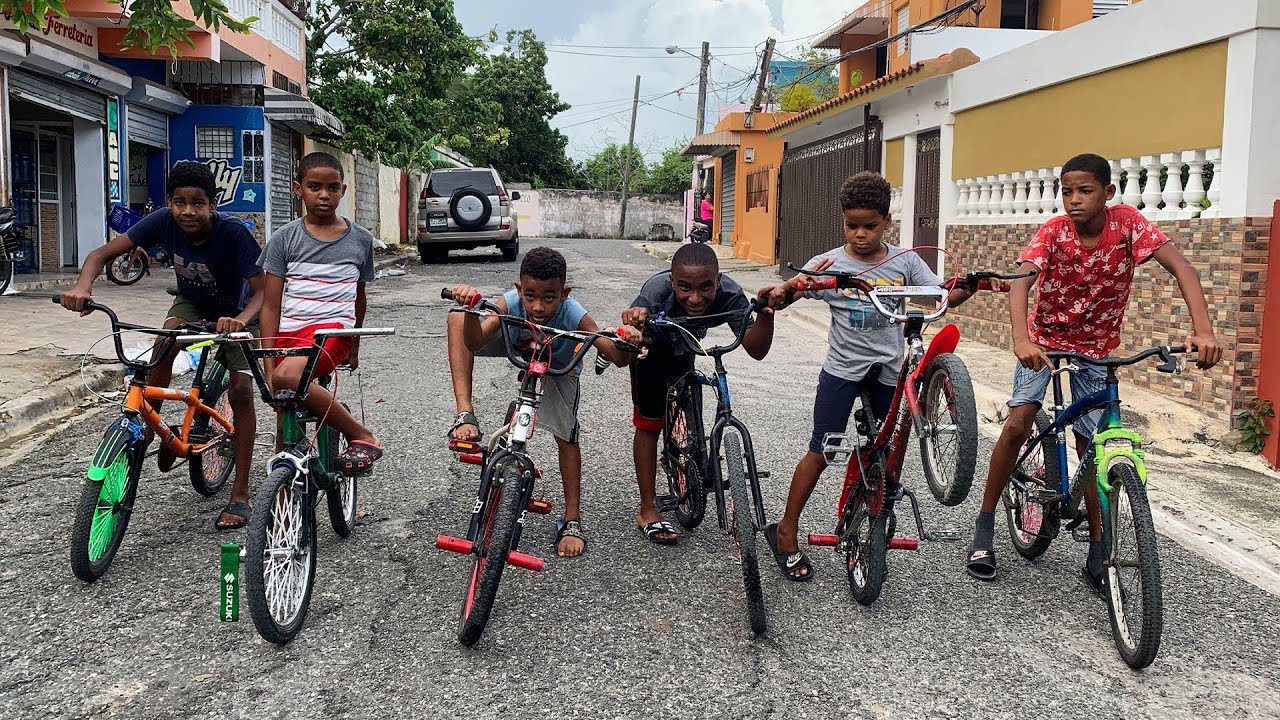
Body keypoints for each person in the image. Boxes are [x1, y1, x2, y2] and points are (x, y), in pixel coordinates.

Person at [965, 152, 1222, 591]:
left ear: (1108, 192)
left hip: (1096, 349)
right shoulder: (1054, 232)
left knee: (1092, 441)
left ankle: (1100, 549)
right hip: (1043, 343)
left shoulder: (1128, 224)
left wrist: (1203, 330)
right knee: (1019, 422)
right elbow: (1023, 280)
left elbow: (1183, 268)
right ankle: (985, 524)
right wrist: (1022, 339)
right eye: (1066, 191)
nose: (1074, 200)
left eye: (1085, 191)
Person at [762, 170, 983, 580]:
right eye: (851, 226)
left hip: (888, 373)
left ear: (887, 222)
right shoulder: (830, 262)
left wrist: (966, 287)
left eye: (870, 226)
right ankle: (787, 529)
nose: (860, 235)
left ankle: (870, 518)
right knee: (824, 449)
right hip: (842, 370)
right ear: (842, 222)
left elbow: (939, 295)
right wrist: (786, 291)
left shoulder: (906, 261)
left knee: (882, 453)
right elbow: (790, 294)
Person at [58, 162, 264, 530]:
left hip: (239, 311)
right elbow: (99, 255)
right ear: (168, 202)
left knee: (241, 390)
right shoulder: (161, 222)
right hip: (194, 302)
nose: (188, 211)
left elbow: (264, 291)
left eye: (198, 203)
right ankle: (153, 428)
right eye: (179, 202)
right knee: (163, 345)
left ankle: (241, 493)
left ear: (213, 204)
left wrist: (240, 320)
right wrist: (82, 287)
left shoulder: (234, 234)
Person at [446, 246, 641, 558]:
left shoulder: (574, 312)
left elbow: (617, 357)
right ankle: (465, 413)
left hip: (560, 365)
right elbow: (474, 341)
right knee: (458, 317)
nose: (538, 307)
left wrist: (627, 341)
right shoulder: (510, 303)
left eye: (549, 298)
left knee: (566, 436)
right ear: (519, 289)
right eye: (530, 296)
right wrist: (470, 308)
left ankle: (572, 521)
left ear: (564, 294)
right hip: (521, 350)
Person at [622, 242, 781, 545]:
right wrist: (634, 322)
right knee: (649, 422)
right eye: (684, 288)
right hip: (653, 349)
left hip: (685, 346)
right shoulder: (655, 292)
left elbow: (756, 350)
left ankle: (692, 453)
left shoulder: (730, 294)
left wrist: (766, 315)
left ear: (718, 281)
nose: (695, 298)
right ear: (672, 282)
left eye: (706, 287)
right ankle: (646, 509)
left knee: (692, 388)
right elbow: (632, 330)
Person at [258, 152, 384, 475]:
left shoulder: (360, 239)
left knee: (286, 379)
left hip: (333, 333)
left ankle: (361, 434)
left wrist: (354, 347)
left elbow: (359, 298)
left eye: (333, 187)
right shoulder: (283, 239)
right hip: (289, 333)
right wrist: (267, 358)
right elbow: (270, 305)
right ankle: (287, 490)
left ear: (343, 189)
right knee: (283, 406)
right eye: (315, 187)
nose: (324, 195)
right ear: (298, 188)